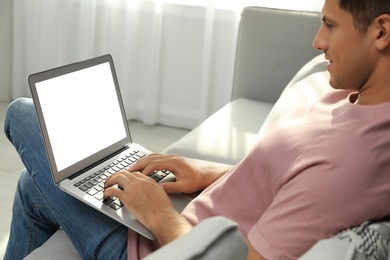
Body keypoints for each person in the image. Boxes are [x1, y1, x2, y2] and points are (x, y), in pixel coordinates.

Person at [4, 0, 390, 259]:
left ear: (381, 32)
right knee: (33, 185)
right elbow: (291, 179)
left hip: (162, 247)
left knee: (23, 114)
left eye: (330, 25)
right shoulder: (357, 99)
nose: (317, 42)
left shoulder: (352, 161)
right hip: (186, 215)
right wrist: (210, 173)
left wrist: (159, 217)